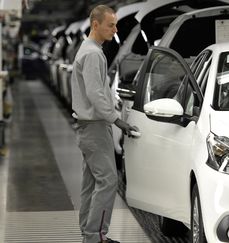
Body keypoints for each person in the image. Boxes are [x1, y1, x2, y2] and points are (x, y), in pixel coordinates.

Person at [71, 5, 137, 243]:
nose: (115, 29)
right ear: (95, 24)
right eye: (111, 25)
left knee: (91, 183)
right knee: (108, 181)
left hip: (88, 127)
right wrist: (117, 120)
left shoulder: (89, 50)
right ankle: (97, 236)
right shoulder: (92, 54)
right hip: (95, 127)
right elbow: (96, 93)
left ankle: (88, 233)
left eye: (116, 24)